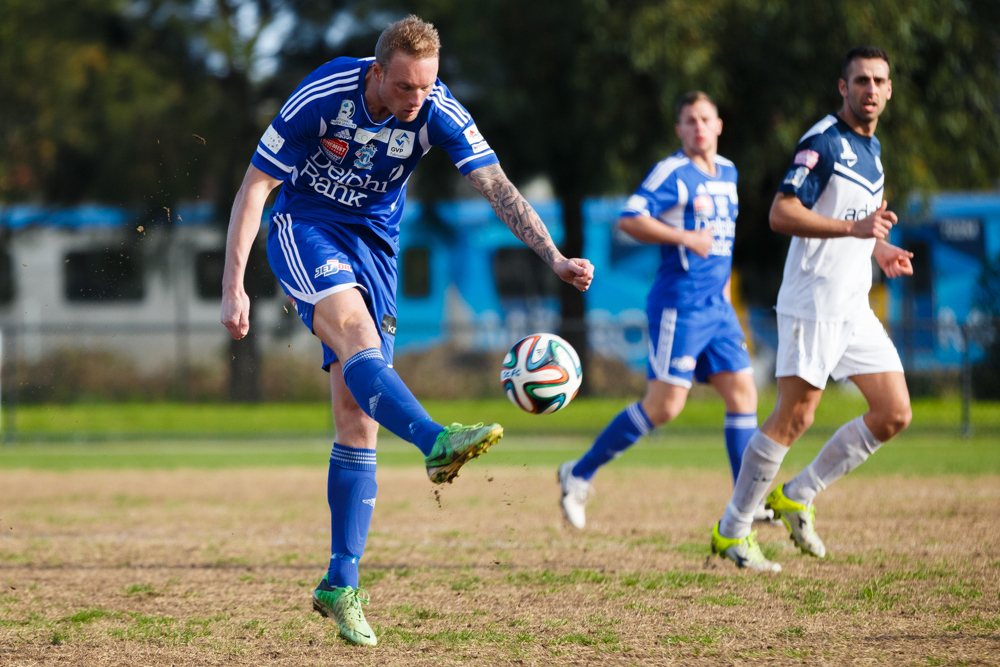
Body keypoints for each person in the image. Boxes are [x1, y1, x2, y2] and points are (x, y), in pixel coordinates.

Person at [220, 16, 593, 645]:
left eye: (427, 86)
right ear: (377, 72)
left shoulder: (437, 108)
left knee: (357, 415)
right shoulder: (325, 95)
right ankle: (435, 441)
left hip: (377, 245)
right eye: (404, 87)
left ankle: (340, 584)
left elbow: (496, 186)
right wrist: (234, 284)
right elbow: (255, 187)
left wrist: (553, 256)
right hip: (305, 226)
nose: (416, 99)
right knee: (358, 340)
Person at [710, 46, 914, 572]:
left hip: (853, 304)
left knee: (893, 413)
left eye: (879, 81)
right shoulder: (823, 142)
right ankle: (733, 530)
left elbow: (862, 221)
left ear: (890, 90)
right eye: (861, 80)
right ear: (842, 88)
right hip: (813, 301)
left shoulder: (873, 151)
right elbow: (782, 212)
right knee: (795, 416)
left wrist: (881, 249)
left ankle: (798, 494)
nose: (871, 89)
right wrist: (855, 230)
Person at [558, 91, 769, 529]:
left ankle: (744, 507)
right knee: (666, 405)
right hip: (681, 304)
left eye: (705, 119)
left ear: (719, 124)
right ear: (679, 130)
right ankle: (578, 474)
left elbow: (723, 244)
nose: (699, 127)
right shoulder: (673, 171)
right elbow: (630, 218)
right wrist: (684, 238)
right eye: (689, 121)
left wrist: (727, 295)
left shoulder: (728, 172)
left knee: (744, 395)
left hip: (719, 307)